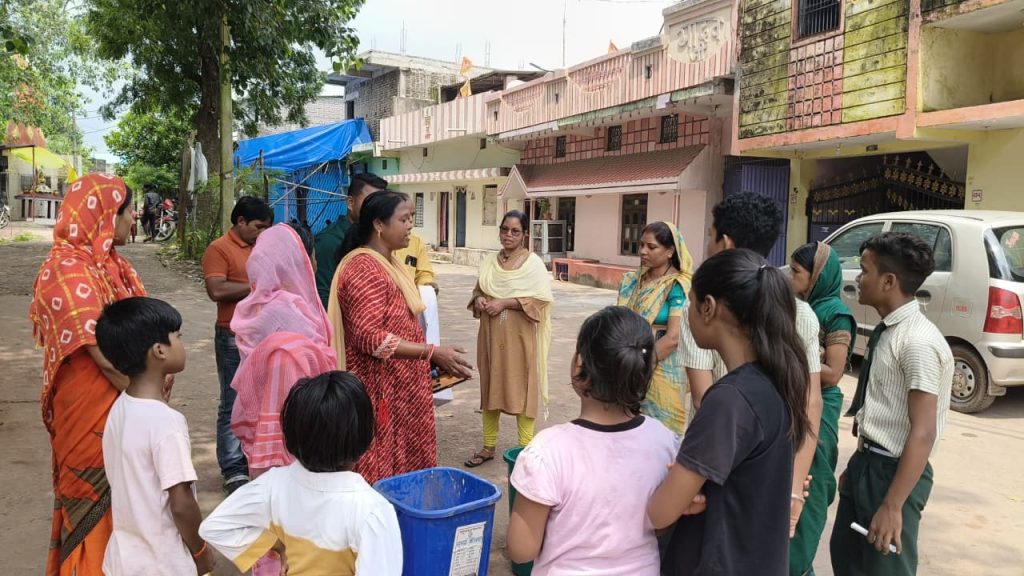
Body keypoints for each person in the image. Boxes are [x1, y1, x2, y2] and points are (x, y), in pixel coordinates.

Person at [649, 248, 812, 576]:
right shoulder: (780, 381)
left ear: (708, 307)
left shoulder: (729, 401)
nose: (688, 314)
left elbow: (660, 512)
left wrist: (681, 492)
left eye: (690, 303)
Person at [681, 192, 823, 539]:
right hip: (773, 468)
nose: (708, 246)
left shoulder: (703, 307)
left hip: (714, 464)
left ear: (726, 242)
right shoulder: (800, 312)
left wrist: (688, 482)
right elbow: (810, 401)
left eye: (710, 236)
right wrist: (793, 490)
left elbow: (703, 398)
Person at [507, 306, 684, 574]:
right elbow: (661, 524)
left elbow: (522, 550)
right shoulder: (665, 442)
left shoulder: (548, 451)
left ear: (579, 365)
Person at [29, 174, 145, 576]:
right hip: (91, 416)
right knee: (92, 508)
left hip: (125, 407)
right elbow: (106, 358)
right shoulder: (67, 271)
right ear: (106, 215)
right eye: (129, 210)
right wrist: (149, 403)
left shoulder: (111, 266)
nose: (134, 218)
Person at [328, 190, 472, 484]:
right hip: (379, 392)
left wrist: (430, 359)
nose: (410, 226)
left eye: (411, 219)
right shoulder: (363, 268)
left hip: (402, 389)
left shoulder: (390, 263)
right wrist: (429, 352)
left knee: (407, 469)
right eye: (403, 219)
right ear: (379, 224)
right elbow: (369, 337)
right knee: (381, 469)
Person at [830, 232, 952, 576]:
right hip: (869, 462)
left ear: (888, 281)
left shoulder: (917, 341)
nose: (858, 278)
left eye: (864, 270)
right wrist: (858, 466)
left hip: (894, 472)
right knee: (848, 560)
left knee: (886, 568)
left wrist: (893, 504)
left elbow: (923, 432)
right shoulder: (889, 331)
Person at [201, 371, 403, 575]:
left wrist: (274, 545)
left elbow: (215, 526)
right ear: (365, 437)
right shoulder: (372, 510)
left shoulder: (273, 485)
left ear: (292, 435)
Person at [95, 297, 214, 576]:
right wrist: (201, 552)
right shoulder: (167, 423)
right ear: (159, 351)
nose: (181, 343)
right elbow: (181, 503)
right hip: (163, 563)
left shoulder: (120, 407)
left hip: (124, 560)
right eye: (178, 337)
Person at [231, 222, 335, 474]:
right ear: (297, 260)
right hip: (294, 423)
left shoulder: (257, 305)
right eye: (311, 256)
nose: (315, 263)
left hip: (268, 417)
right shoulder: (288, 311)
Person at [788, 241, 858, 575]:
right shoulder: (800, 306)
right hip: (795, 396)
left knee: (810, 484)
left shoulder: (835, 313)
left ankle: (798, 565)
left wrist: (788, 362)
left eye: (796, 272)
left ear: (816, 276)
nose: (790, 277)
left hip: (821, 402)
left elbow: (833, 373)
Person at [465, 210, 554, 467]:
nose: (508, 235)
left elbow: (541, 300)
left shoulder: (533, 264)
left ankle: (525, 449)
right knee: (490, 385)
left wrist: (505, 302)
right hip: (491, 335)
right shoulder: (489, 262)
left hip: (520, 337)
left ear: (524, 234)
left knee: (523, 388)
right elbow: (479, 289)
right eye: (504, 229)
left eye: (515, 231)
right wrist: (479, 300)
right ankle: (488, 446)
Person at [202, 196, 274, 494]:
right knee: (232, 400)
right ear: (240, 221)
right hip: (232, 335)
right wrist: (259, 287)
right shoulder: (219, 249)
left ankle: (254, 458)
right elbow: (217, 290)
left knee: (261, 399)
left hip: (261, 333)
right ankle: (232, 467)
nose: (262, 232)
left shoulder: (262, 247)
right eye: (258, 226)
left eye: (267, 227)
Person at [616, 221, 693, 436]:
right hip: (628, 364)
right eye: (641, 245)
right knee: (627, 431)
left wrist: (641, 366)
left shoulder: (677, 285)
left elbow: (673, 337)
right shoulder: (632, 281)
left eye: (651, 247)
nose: (643, 251)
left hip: (662, 368)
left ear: (670, 251)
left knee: (661, 435)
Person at [314, 173, 387, 308]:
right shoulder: (328, 241)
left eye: (381, 203)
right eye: (370, 202)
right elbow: (323, 298)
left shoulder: (379, 240)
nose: (376, 209)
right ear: (350, 203)